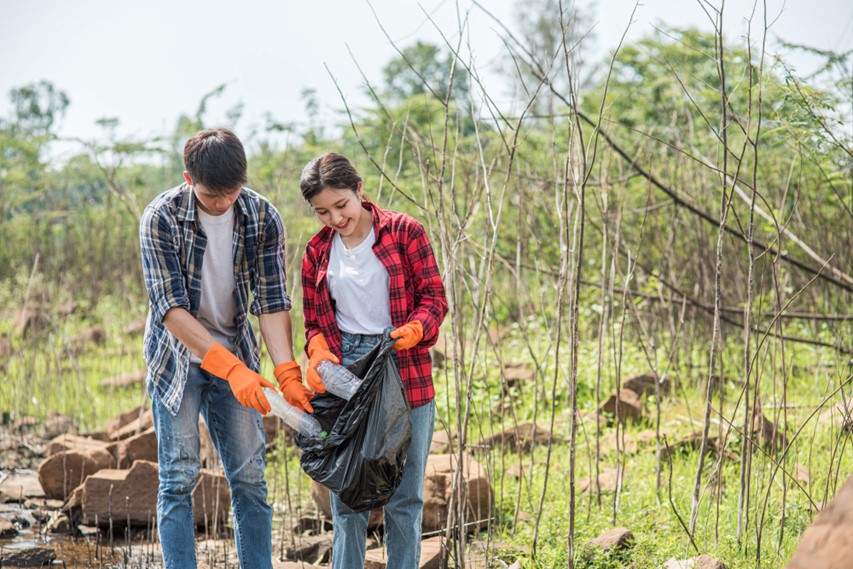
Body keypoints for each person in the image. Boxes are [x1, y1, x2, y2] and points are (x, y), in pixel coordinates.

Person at [139, 128, 313, 569]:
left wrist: (287, 371)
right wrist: (228, 367)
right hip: (177, 360)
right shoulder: (160, 217)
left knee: (250, 479)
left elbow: (272, 301)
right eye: (213, 195)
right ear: (188, 177)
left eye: (231, 192)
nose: (223, 203)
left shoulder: (261, 216)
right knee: (177, 478)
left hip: (239, 357)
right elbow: (170, 309)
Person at [299, 152, 448, 568]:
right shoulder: (316, 253)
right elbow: (313, 321)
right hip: (346, 373)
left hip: (402, 365)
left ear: (359, 190)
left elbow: (434, 298)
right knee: (347, 494)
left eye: (341, 205)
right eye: (322, 211)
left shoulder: (403, 232)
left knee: (405, 496)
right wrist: (317, 350)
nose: (335, 218)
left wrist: (416, 328)